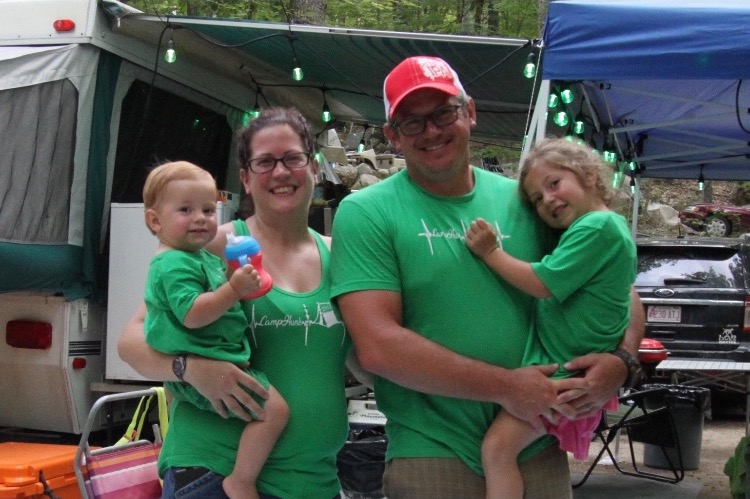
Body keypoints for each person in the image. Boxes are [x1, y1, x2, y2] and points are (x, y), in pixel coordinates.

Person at [329, 55, 645, 498]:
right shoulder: (366, 212)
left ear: (470, 112)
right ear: (392, 135)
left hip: (535, 441)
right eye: (412, 122)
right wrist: (509, 388)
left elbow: (616, 286)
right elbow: (378, 347)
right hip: (433, 450)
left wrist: (622, 362)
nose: (432, 131)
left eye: (444, 113)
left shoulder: (529, 200)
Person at [118, 107, 351, 499]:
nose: (281, 172)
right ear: (245, 178)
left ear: (313, 167)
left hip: (315, 480)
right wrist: (190, 369)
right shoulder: (209, 247)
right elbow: (130, 343)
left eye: (292, 158)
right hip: (215, 474)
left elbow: (363, 357)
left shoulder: (339, 256)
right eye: (265, 162)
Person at [465, 137, 637, 499]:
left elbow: (542, 283)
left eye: (554, 183)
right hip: (568, 371)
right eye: (537, 199)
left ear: (588, 176)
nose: (548, 200)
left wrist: (490, 252)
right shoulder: (604, 228)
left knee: (497, 450)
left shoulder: (597, 228)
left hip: (564, 375)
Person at [140, 160, 289, 499]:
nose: (200, 218)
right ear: (155, 221)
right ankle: (241, 480)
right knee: (275, 411)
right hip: (208, 369)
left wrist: (239, 283)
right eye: (185, 209)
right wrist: (233, 289)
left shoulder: (199, 257)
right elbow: (192, 314)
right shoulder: (172, 263)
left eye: (208, 210)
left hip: (215, 363)